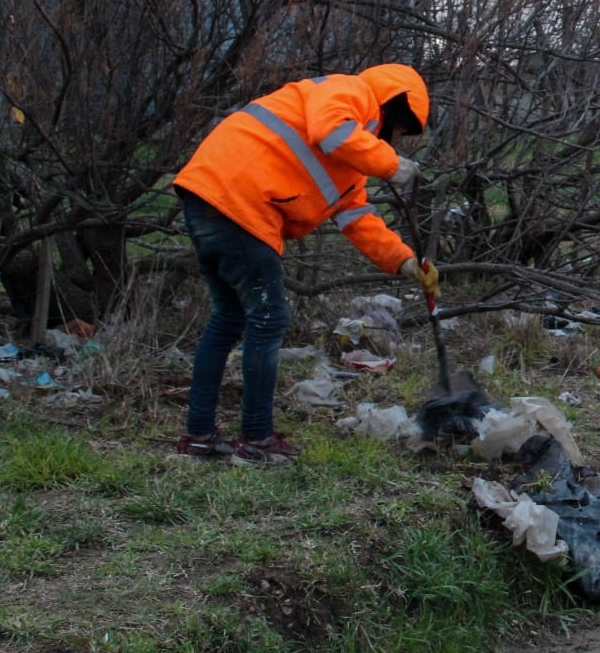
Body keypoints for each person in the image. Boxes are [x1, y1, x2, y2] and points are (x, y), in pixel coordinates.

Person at [173, 65, 440, 465]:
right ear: (395, 107)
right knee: (269, 318)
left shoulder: (347, 168)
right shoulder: (351, 92)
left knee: (229, 318)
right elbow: (330, 130)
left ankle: (198, 436)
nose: (397, 140)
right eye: (401, 131)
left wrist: (404, 262)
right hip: (239, 202)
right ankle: (256, 439)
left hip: (210, 197)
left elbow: (357, 219)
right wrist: (390, 163)